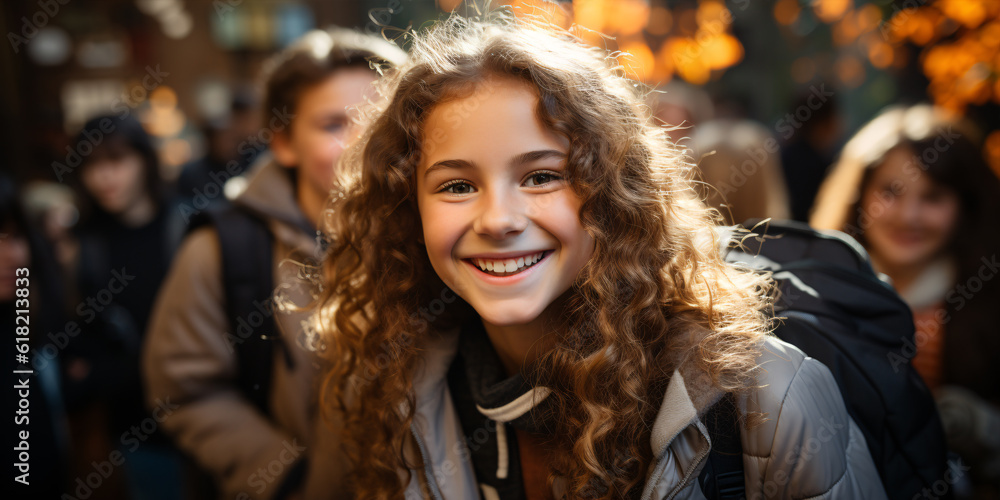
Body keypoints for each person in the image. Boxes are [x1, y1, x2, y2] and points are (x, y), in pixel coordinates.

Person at [314, 11, 886, 499]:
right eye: (457, 186)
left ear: (613, 196)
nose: (498, 220)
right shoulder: (390, 390)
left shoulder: (764, 393)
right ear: (407, 210)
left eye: (541, 176)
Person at [142, 28, 406, 500]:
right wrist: (286, 478)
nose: (363, 141)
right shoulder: (222, 248)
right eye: (333, 124)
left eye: (379, 119)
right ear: (284, 142)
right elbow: (183, 386)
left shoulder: (437, 235)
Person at [811, 104, 1000, 498]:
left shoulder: (991, 296)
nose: (908, 216)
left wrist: (984, 427)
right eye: (890, 192)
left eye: (932, 197)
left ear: (966, 206)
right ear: (859, 194)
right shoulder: (814, 295)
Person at [65, 113, 187, 500]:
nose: (103, 177)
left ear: (143, 161)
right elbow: (76, 339)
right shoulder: (82, 246)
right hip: (137, 426)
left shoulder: (187, 225)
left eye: (115, 161)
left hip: (205, 405)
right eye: (91, 165)